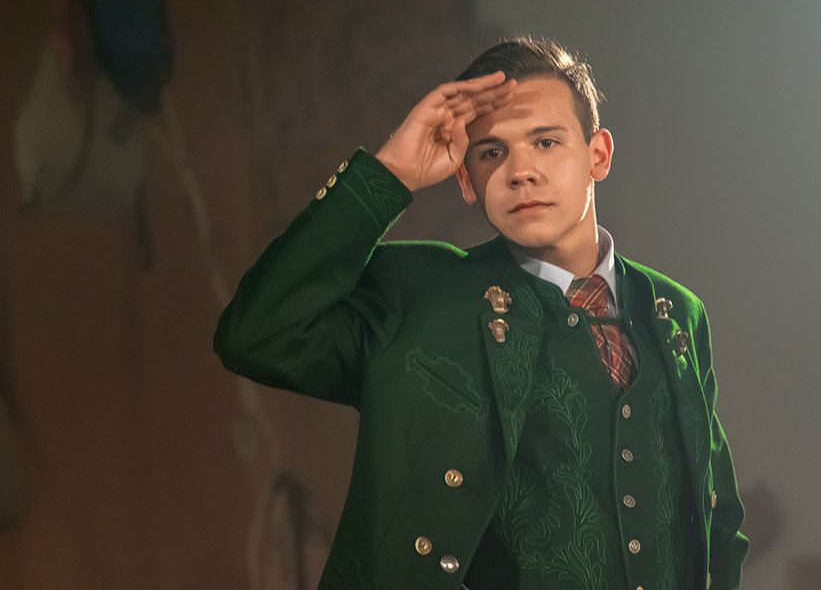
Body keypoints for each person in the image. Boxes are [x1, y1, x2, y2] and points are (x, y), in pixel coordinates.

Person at [214, 38, 749, 590]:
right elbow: (255, 334)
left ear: (599, 155)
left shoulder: (676, 315)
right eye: (492, 153)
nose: (521, 172)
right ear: (466, 180)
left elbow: (718, 522)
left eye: (545, 142)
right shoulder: (420, 294)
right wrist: (389, 174)